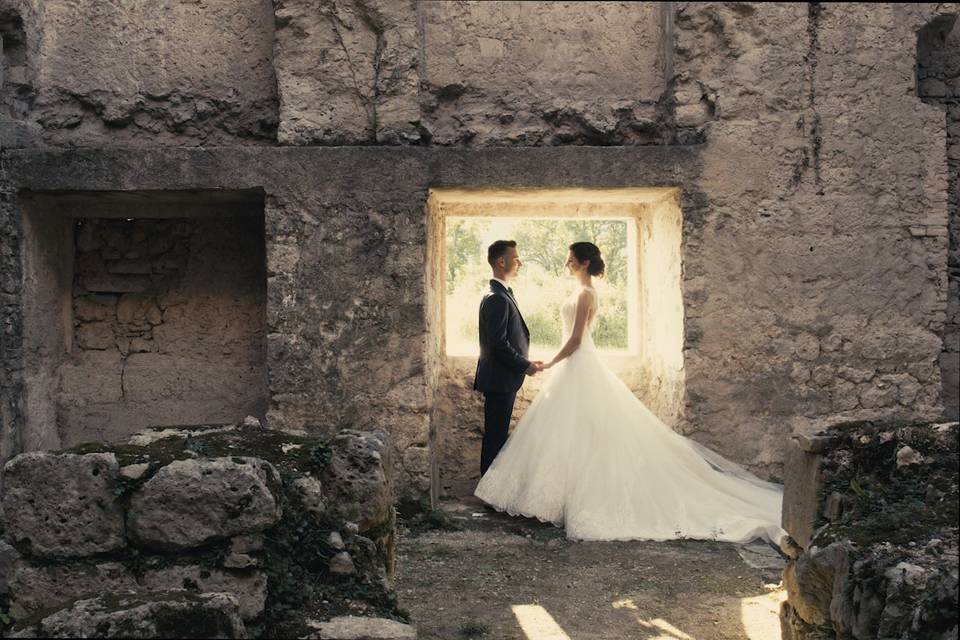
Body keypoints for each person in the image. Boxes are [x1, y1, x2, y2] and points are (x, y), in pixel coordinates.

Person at [475, 241, 785, 543]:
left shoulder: (585, 294)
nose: (566, 263)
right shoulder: (574, 292)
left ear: (584, 263)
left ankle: (577, 499)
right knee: (570, 433)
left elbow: (577, 341)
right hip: (574, 368)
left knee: (580, 432)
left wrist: (551, 363)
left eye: (571, 259)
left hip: (578, 363)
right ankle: (557, 498)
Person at [473, 240, 543, 477]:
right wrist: (525, 366)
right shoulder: (497, 298)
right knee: (495, 437)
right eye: (516, 258)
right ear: (501, 262)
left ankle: (492, 493)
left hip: (502, 379)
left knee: (498, 435)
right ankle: (489, 494)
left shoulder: (501, 293)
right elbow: (497, 344)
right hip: (499, 380)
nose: (520, 262)